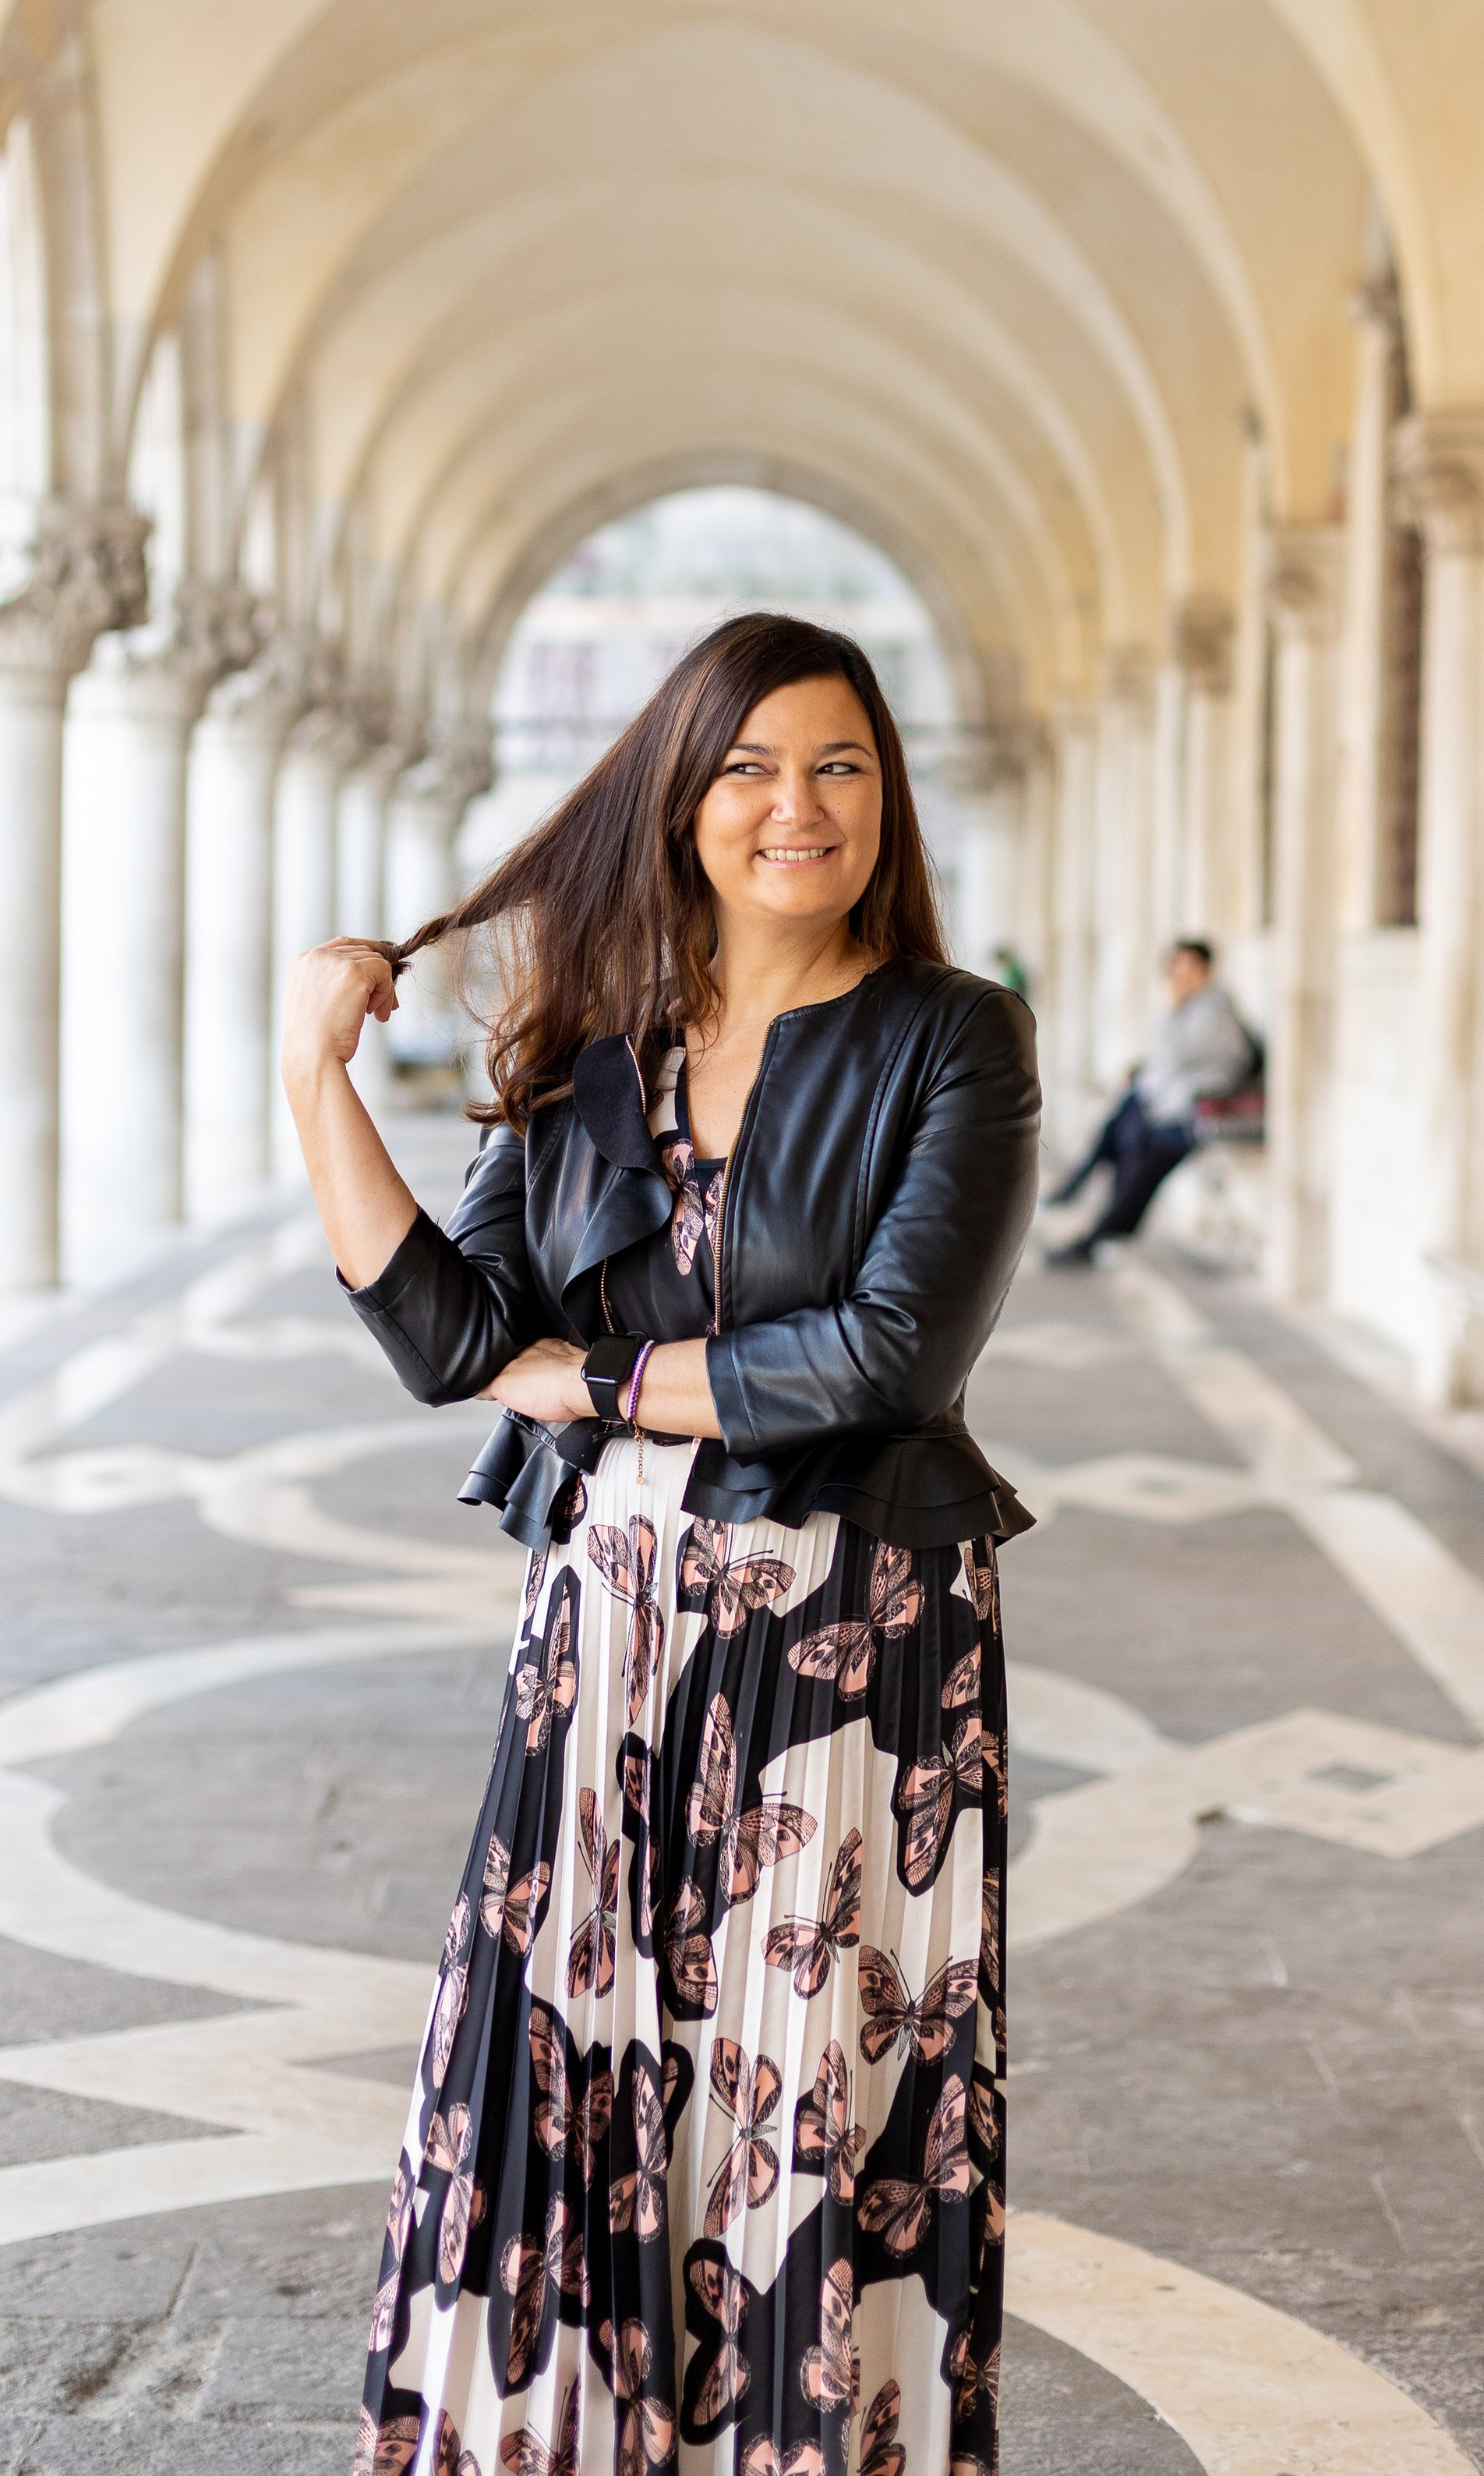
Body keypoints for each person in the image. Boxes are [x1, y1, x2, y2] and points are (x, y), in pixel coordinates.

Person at [281, 612, 1039, 2476]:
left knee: (813, 2092)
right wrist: (316, 1083)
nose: (799, 805)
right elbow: (456, 1342)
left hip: (850, 1650)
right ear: (680, 799)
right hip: (605, 1639)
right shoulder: (595, 1046)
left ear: (887, 796)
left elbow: (882, 1353)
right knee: (557, 2053)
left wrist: (596, 1377)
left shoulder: (950, 1038)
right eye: (750, 767)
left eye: (840, 764)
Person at [1042, 937, 1260, 1267]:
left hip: (1196, 1116)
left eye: (1183, 966)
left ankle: (1091, 1220)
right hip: (1177, 1109)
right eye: (1173, 967)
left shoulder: (1213, 1011)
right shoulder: (1197, 1006)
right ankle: (1089, 1209)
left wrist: (1172, 1006)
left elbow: (1178, 1056)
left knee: (1135, 1156)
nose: (1175, 974)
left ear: (1204, 969)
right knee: (1124, 1129)